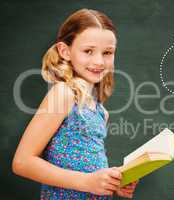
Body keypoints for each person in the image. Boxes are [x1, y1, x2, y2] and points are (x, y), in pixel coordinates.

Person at [12, 8, 138, 199]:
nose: (99, 61)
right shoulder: (63, 93)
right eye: (88, 51)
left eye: (107, 52)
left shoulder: (100, 111)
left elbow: (89, 170)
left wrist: (110, 183)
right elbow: (22, 162)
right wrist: (87, 182)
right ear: (65, 51)